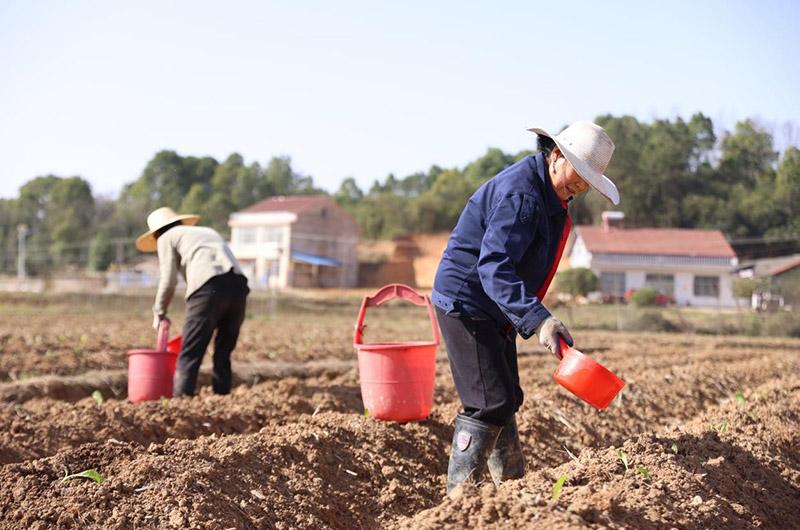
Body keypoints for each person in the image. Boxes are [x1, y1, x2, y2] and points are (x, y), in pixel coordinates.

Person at [431, 120, 619, 494]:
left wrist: (534, 316)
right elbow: (493, 264)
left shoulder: (550, 196)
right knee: (488, 403)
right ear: (555, 156)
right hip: (467, 301)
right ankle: (459, 500)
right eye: (577, 175)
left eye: (587, 182)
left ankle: (512, 490)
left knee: (507, 398)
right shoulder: (524, 196)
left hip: (494, 305)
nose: (579, 187)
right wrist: (539, 320)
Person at [136, 207, 250, 397]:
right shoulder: (206, 232)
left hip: (208, 288)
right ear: (179, 221)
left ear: (156, 233)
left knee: (189, 353)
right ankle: (222, 400)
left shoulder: (166, 237)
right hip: (239, 287)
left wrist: (159, 311)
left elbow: (168, 280)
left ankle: (181, 403)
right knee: (223, 352)